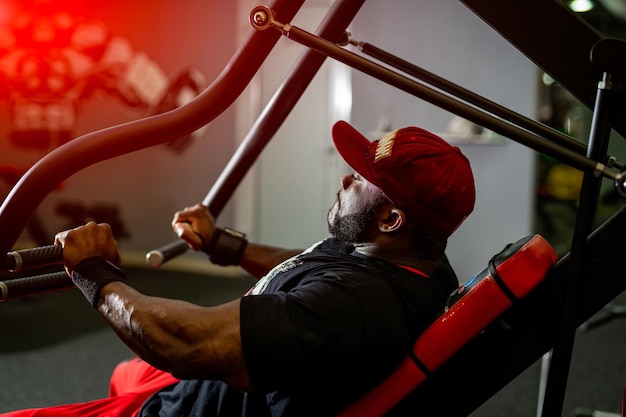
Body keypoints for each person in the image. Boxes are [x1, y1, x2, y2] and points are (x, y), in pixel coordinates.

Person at [2, 120, 475, 417]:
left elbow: (190, 343)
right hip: (207, 376)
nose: (347, 177)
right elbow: (309, 264)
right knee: (128, 370)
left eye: (363, 179)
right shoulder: (410, 260)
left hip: (196, 401)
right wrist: (223, 244)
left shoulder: (351, 307)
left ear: (391, 218)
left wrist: (92, 272)